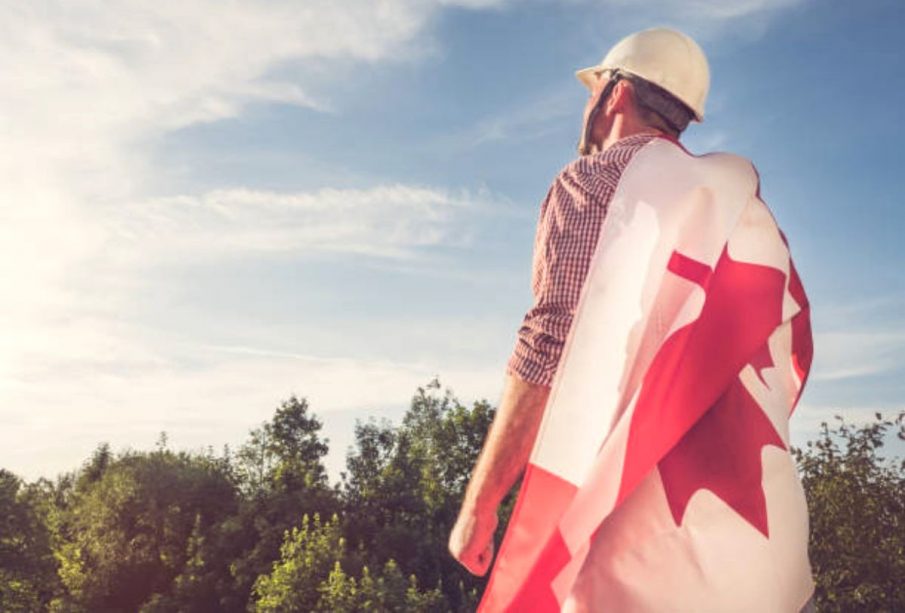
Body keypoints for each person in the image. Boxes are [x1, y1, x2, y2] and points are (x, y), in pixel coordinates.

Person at [449, 28, 815, 612]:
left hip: (650, 558)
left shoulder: (593, 185)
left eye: (592, 88)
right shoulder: (746, 213)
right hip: (768, 550)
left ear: (614, 94)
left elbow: (550, 341)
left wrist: (481, 503)